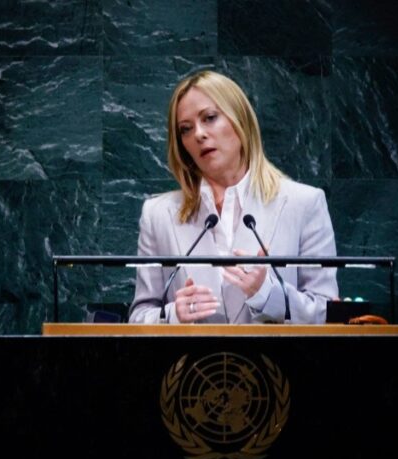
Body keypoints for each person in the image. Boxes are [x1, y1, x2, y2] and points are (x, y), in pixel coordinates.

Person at [129, 70, 338, 324]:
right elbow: (139, 316)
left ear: (240, 120)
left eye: (209, 118)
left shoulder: (303, 203)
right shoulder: (158, 214)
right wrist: (173, 314)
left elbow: (326, 313)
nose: (198, 134)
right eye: (186, 129)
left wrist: (267, 294)